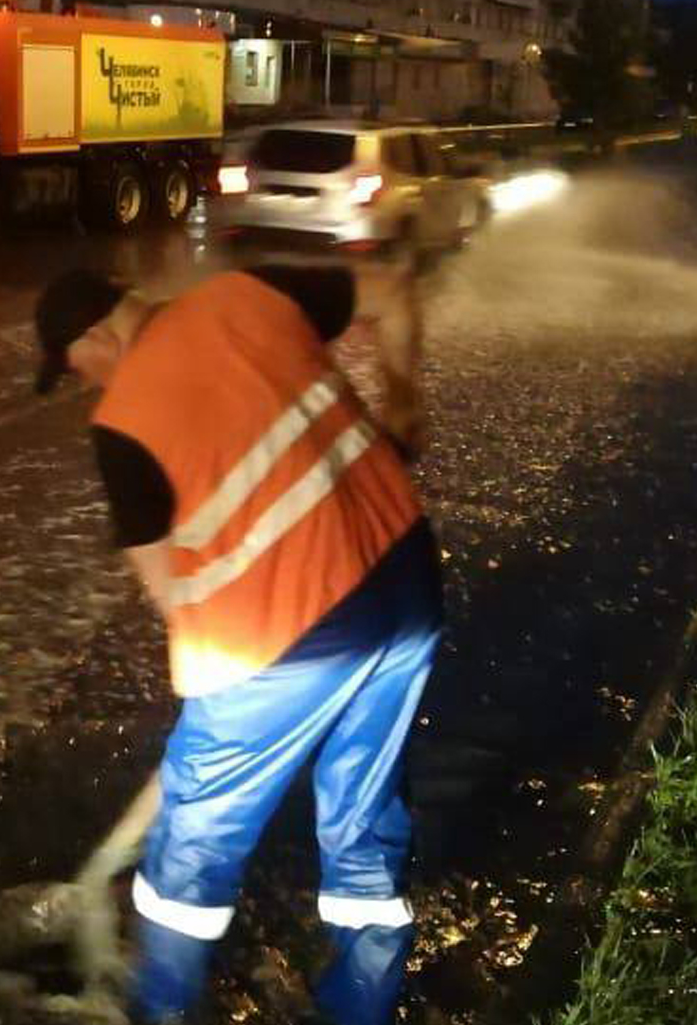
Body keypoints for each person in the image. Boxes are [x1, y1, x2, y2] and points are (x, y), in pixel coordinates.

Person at [31, 261, 443, 1024]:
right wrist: (404, 400)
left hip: (290, 634)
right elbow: (393, 288)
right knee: (363, 811)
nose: (85, 383)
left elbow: (171, 593)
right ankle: (364, 1005)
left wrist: (210, 713)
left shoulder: (122, 425)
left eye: (73, 366)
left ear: (96, 333)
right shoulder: (250, 291)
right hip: (406, 583)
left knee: (193, 844)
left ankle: (158, 1009)